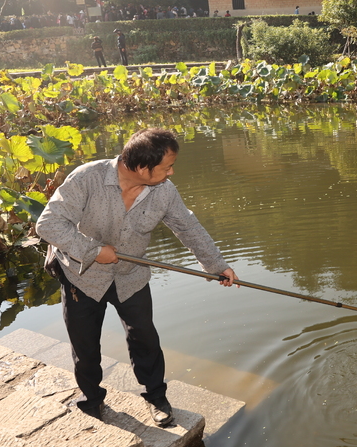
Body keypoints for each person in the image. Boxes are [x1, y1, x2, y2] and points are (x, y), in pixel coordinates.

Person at [36, 128, 239, 426]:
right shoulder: (87, 178)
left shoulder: (164, 191)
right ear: (142, 167)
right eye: (166, 167)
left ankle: (156, 396)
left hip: (130, 277)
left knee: (145, 337)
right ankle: (92, 400)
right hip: (82, 276)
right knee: (85, 346)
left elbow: (189, 228)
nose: (171, 172)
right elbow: (48, 224)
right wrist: (92, 250)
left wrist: (216, 265)